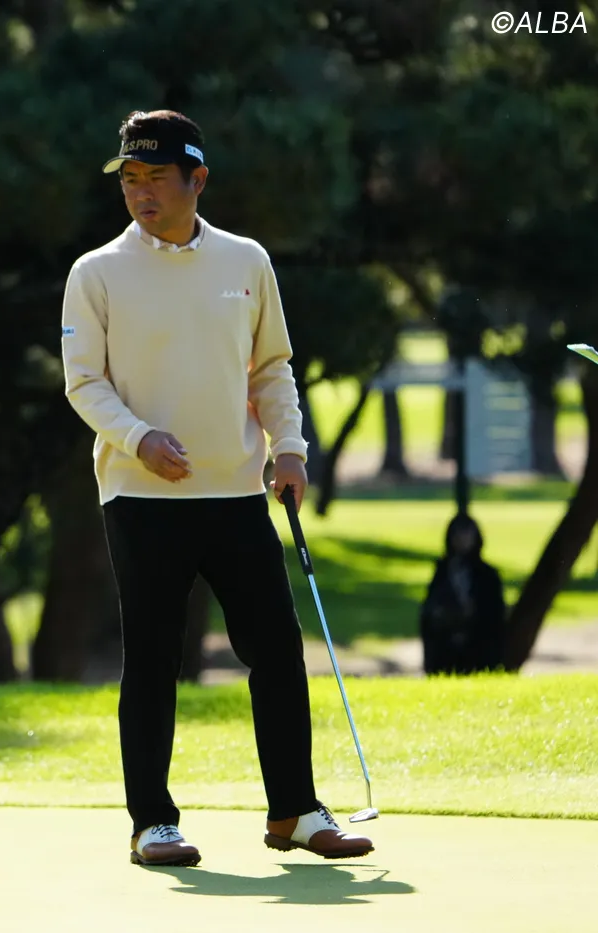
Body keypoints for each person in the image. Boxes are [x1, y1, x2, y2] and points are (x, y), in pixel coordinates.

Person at [58, 109, 373, 867]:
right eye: (130, 180)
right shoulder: (95, 272)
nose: (142, 194)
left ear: (197, 179)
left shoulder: (246, 261)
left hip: (235, 494)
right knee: (153, 658)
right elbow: (83, 382)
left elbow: (271, 369)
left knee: (276, 649)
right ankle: (152, 822)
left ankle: (295, 810)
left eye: (157, 178)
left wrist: (289, 448)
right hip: (140, 497)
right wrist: (138, 436)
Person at [420, 513, 507, 674]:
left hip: (478, 649)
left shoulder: (487, 575)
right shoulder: (443, 572)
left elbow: (495, 618)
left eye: (466, 534)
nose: (462, 540)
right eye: (458, 534)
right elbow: (428, 615)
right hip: (445, 650)